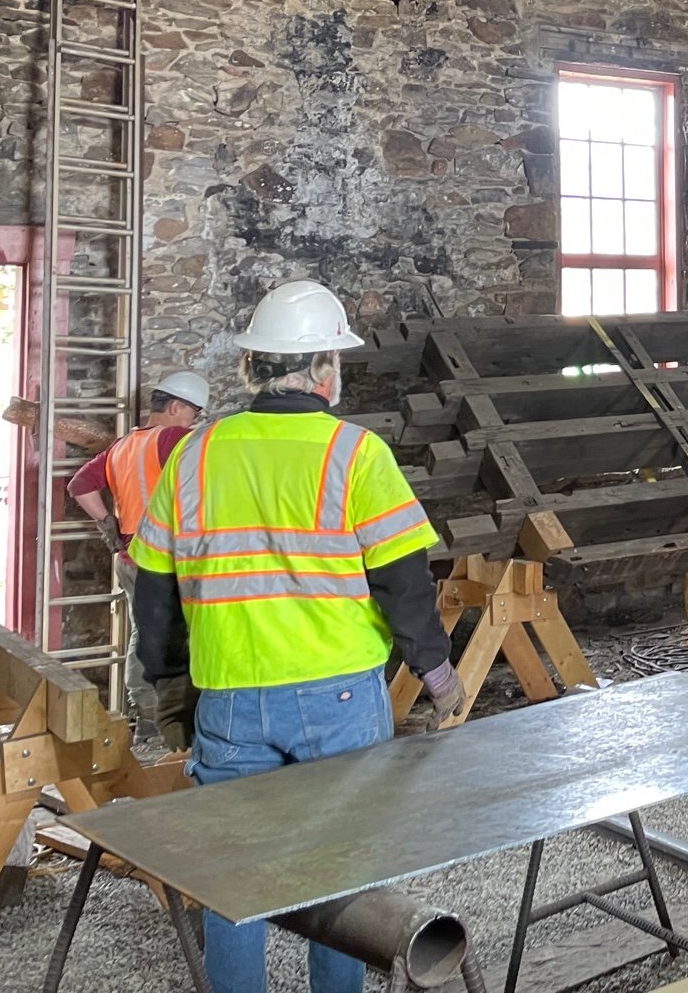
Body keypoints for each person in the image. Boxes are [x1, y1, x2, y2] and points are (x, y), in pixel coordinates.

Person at [132, 280, 465, 993]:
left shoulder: (193, 454)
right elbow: (403, 584)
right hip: (339, 694)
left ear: (253, 367)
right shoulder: (356, 454)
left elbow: (153, 587)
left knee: (235, 876)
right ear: (323, 371)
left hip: (228, 695)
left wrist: (165, 682)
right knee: (342, 871)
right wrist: (436, 673)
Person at [65, 368, 209, 732]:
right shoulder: (173, 437)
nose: (196, 421)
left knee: (142, 631)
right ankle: (167, 713)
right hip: (161, 558)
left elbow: (80, 485)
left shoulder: (123, 445)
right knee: (177, 631)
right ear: (176, 407)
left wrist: (106, 523)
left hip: (130, 556)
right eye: (196, 413)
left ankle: (144, 710)